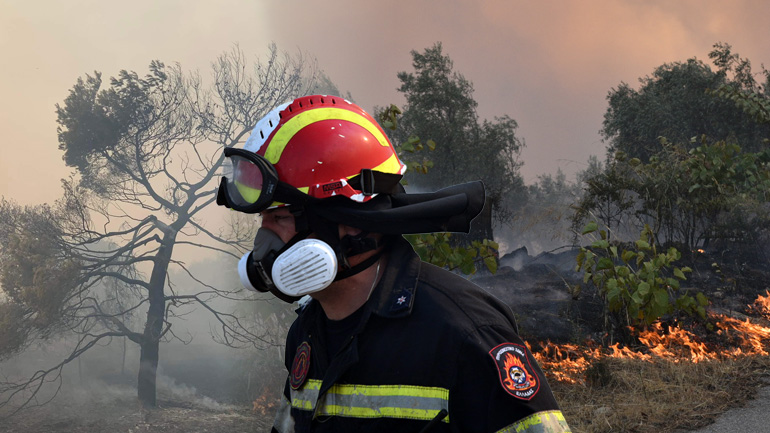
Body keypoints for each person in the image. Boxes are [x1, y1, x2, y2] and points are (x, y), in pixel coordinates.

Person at [217, 95, 571, 432]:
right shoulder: (307, 334)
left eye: (279, 219)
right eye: (262, 219)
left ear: (350, 224)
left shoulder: (462, 335)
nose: (263, 242)